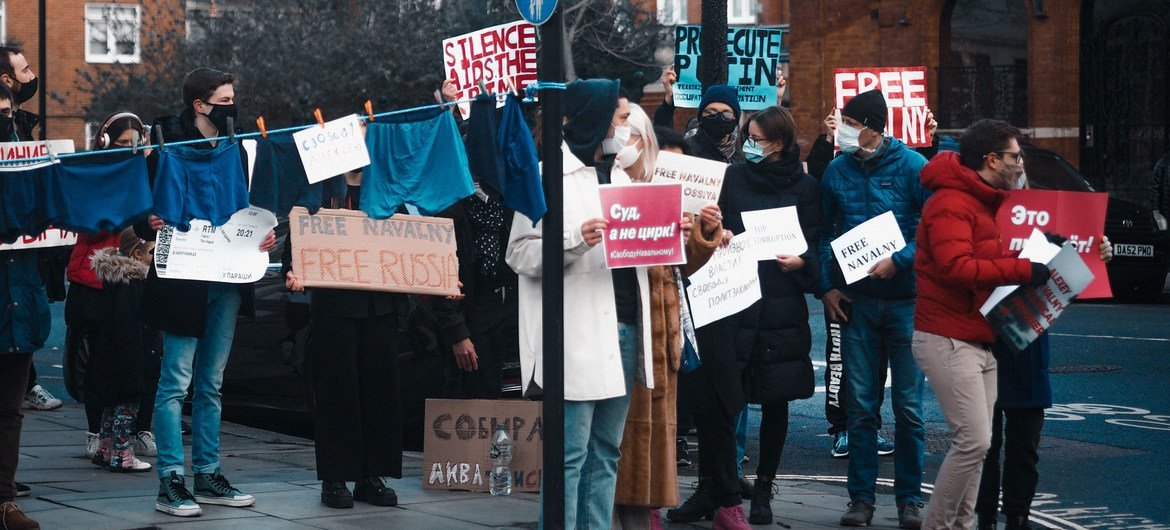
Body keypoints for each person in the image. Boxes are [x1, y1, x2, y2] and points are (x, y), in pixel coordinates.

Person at [506, 79, 661, 529]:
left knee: (607, 451)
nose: (625, 126)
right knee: (570, 454)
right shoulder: (545, 175)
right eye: (619, 116)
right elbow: (519, 252)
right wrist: (574, 241)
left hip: (625, 326)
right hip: (575, 333)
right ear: (594, 118)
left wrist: (670, 232)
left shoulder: (619, 177)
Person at [667, 106, 821, 529]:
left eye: (759, 139)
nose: (751, 146)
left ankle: (764, 487)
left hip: (779, 302)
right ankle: (715, 486)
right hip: (732, 300)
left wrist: (803, 263)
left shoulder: (806, 188)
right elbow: (711, 230)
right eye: (748, 137)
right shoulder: (732, 177)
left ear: (782, 143)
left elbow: (815, 242)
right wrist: (718, 231)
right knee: (719, 397)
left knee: (776, 396)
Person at [135, 67, 276, 517]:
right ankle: (170, 480)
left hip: (227, 276)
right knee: (175, 381)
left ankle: (208, 472)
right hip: (182, 275)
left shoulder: (237, 147)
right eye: (226, 98)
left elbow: (247, 211)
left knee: (212, 383)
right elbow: (140, 209)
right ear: (199, 104)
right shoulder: (164, 144)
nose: (234, 105)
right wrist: (149, 222)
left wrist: (264, 237)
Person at [913, 119, 1048, 530]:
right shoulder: (950, 202)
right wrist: (1023, 270)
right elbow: (956, 268)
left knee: (978, 447)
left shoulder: (987, 201)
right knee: (974, 441)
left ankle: (960, 525)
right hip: (947, 337)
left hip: (977, 337)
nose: (1019, 162)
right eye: (1014, 155)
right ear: (991, 159)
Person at [972, 173, 1115, 530]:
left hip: (1027, 337)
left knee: (1024, 443)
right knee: (983, 443)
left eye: (1019, 160)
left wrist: (1098, 254)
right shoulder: (974, 213)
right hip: (982, 336)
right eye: (1011, 157)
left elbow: (1072, 260)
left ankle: (1017, 516)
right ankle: (985, 516)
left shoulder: (1046, 219)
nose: (1016, 166)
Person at [818, 90, 930, 529]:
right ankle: (860, 500)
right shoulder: (835, 170)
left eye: (848, 121)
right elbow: (824, 232)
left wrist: (899, 260)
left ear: (871, 125)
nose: (840, 128)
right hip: (858, 304)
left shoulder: (913, 168)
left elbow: (934, 230)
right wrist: (826, 286)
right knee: (861, 406)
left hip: (905, 302)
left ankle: (909, 502)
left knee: (908, 408)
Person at [612, 104, 723, 530]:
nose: (625, 140)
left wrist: (702, 231)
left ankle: (641, 515)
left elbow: (683, 266)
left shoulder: (666, 188)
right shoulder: (609, 186)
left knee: (646, 452)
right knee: (615, 443)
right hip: (629, 330)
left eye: (633, 132)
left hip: (660, 340)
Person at [284, 168, 405, 510]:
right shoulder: (320, 194)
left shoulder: (385, 189)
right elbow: (296, 243)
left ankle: (371, 475)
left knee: (380, 391)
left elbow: (409, 239)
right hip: (334, 307)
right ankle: (335, 477)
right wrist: (293, 270)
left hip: (379, 306)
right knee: (338, 392)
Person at [67, 112, 159, 461]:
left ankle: (137, 429)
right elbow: (87, 223)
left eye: (136, 145)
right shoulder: (97, 173)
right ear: (105, 143)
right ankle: (97, 431)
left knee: (145, 356)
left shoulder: (146, 171)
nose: (130, 151)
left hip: (138, 273)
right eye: (123, 145)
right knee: (99, 360)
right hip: (97, 276)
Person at [1, 45, 64, 412]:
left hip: (24, 264)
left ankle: (28, 384)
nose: (32, 77)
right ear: (7, 79)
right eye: (25, 71)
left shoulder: (24, 129)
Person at [0, 81, 44, 530]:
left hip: (19, 301)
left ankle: (4, 500)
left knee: (9, 412)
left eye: (7, 112)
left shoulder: (28, 163)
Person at [86, 228, 160, 473]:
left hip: (111, 355)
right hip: (129, 357)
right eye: (152, 251)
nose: (157, 255)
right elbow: (131, 328)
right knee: (127, 404)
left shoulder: (116, 281)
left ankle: (105, 448)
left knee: (112, 403)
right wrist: (138, 359)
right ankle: (122, 453)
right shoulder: (134, 284)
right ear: (137, 254)